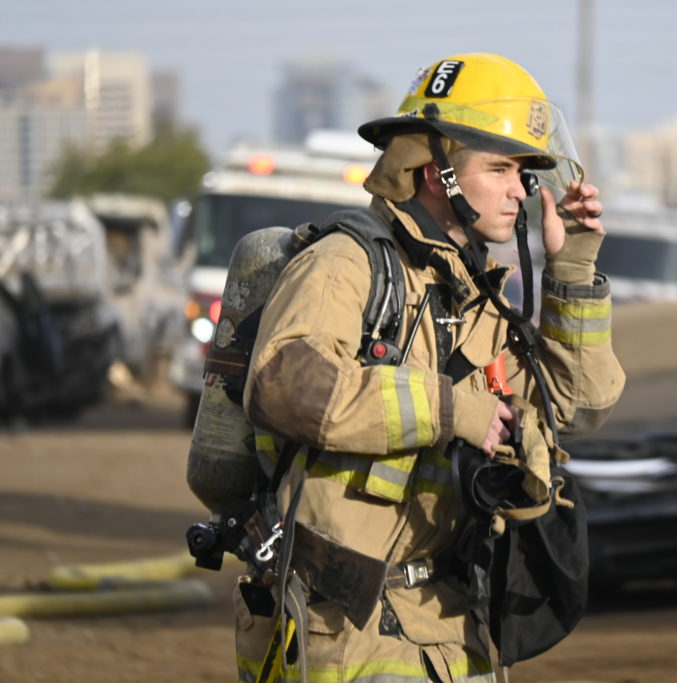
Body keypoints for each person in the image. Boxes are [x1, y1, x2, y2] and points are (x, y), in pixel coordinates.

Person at [237, 52, 625, 683]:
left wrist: (573, 269)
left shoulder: (473, 296)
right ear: (435, 172)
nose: (520, 190)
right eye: (499, 168)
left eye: (523, 173)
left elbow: (573, 409)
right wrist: (450, 410)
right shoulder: (346, 265)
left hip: (451, 624)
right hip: (346, 628)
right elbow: (283, 383)